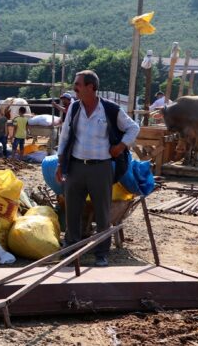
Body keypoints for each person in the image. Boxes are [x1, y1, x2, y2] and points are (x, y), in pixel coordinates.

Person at [55, 70, 139, 267]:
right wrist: (60, 164)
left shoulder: (110, 109)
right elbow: (64, 137)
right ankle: (71, 251)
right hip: (75, 167)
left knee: (102, 213)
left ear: (91, 87)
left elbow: (133, 127)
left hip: (100, 168)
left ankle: (101, 254)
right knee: (72, 211)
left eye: (78, 84)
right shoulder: (74, 109)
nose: (74, 88)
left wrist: (120, 146)